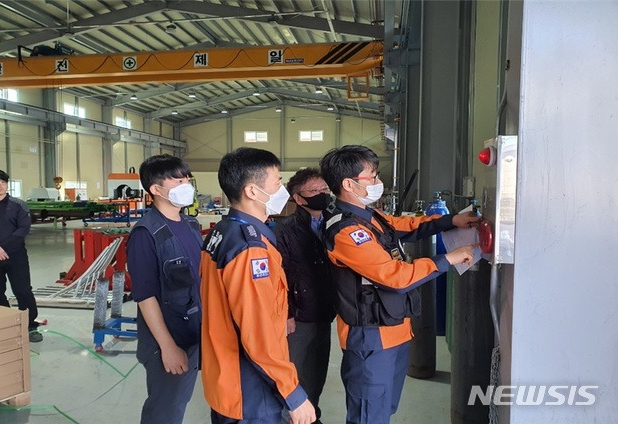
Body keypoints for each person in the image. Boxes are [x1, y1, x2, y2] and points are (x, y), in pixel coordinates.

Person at [319, 145, 479, 424]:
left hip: (394, 330)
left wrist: (450, 221)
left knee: (384, 409)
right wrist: (447, 260)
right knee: (368, 417)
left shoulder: (369, 216)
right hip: (370, 337)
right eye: (372, 176)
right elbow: (395, 276)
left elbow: (405, 226)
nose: (378, 182)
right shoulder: (346, 230)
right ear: (349, 183)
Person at [200, 147, 316, 424]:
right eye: (277, 182)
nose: (282, 189)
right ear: (252, 191)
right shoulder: (250, 249)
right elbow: (258, 332)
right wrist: (294, 394)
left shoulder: (223, 231)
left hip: (225, 376)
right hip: (249, 384)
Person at [126, 154, 202, 424]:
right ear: (155, 190)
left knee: (178, 402)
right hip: (167, 340)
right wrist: (168, 347)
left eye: (186, 178)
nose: (186, 184)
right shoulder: (146, 233)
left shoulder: (191, 225)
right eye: (178, 179)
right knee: (165, 412)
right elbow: (145, 297)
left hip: (192, 330)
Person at [274, 168, 335, 424]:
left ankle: (312, 415)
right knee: (294, 373)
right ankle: (288, 418)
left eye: (324, 190)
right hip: (298, 317)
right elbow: (281, 276)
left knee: (317, 372)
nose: (321, 195)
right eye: (314, 191)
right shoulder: (284, 230)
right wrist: (287, 313)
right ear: (299, 199)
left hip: (325, 311)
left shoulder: (335, 222)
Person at [0, 169, 43, 343]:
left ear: (7, 184)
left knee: (23, 291)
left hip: (15, 255)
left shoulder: (19, 205)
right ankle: (5, 325)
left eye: (2, 182)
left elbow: (23, 229)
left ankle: (30, 326)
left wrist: (2, 247)